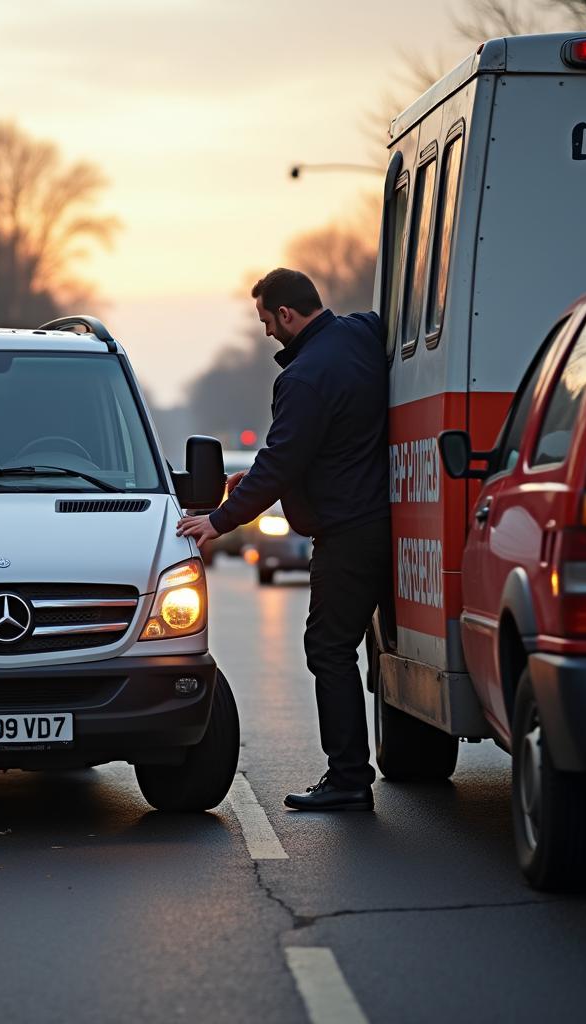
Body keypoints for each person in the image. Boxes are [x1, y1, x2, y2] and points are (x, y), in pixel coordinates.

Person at [177, 268, 390, 812]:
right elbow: (325, 446)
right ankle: (354, 770)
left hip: (345, 534)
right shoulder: (364, 335)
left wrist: (219, 522)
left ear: (287, 315)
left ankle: (348, 779)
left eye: (267, 320)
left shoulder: (302, 378)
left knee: (328, 648)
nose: (267, 332)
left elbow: (281, 461)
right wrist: (253, 481)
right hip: (384, 520)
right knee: (363, 645)